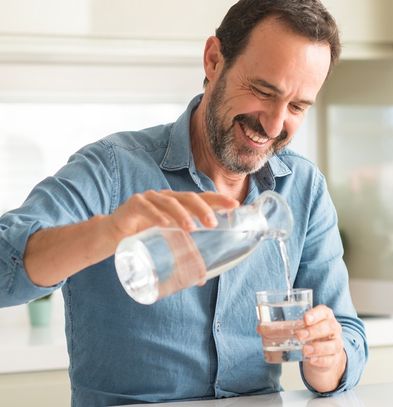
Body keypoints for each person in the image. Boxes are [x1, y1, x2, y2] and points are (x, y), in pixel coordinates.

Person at [0, 0, 368, 405]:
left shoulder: (303, 187)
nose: (275, 124)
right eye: (263, 91)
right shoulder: (112, 169)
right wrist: (109, 231)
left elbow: (346, 332)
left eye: (297, 107)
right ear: (214, 61)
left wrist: (327, 359)